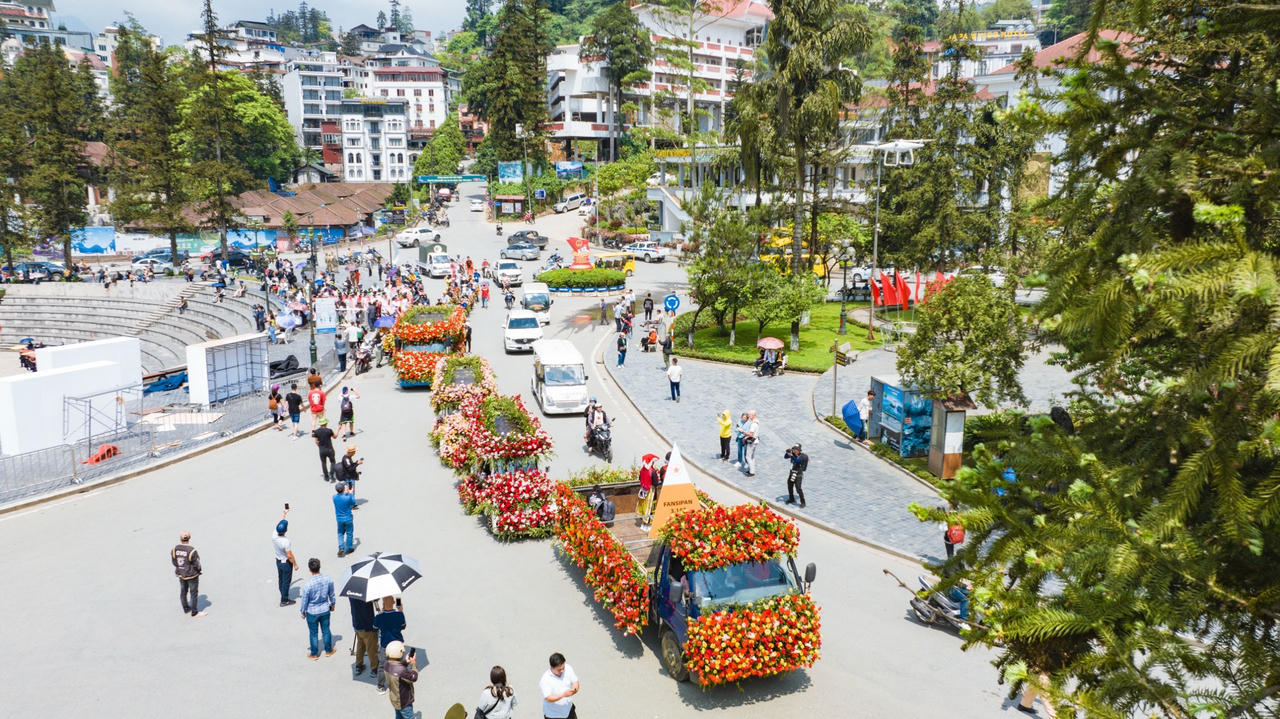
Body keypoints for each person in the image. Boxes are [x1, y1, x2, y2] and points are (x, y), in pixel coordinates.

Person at [300, 557, 336, 659]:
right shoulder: (328, 579)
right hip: (325, 609)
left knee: (313, 633)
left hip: (312, 612)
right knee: (326, 630)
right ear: (319, 567)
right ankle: (328, 651)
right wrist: (333, 604)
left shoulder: (308, 585)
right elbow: (332, 594)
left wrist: (303, 612)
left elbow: (304, 600)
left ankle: (314, 654)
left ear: (310, 569)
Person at [373, 597, 407, 693]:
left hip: (385, 645)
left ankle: (380, 686)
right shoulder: (399, 614)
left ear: (383, 604)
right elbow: (403, 626)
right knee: (399, 664)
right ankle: (399, 685)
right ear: (394, 603)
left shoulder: (379, 617)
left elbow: (375, 627)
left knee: (382, 666)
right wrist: (401, 610)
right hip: (398, 644)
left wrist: (380, 615)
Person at [171, 531, 205, 618]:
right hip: (192, 575)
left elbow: (174, 562)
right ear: (189, 538)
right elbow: (197, 564)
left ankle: (186, 608)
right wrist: (199, 570)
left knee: (183, 591)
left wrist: (180, 568)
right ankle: (194, 613)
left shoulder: (175, 549)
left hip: (181, 574)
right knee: (193, 593)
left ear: (180, 539)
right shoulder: (192, 550)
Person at [384, 641, 418, 719]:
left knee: (399, 716)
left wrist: (405, 662)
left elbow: (396, 668)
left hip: (395, 699)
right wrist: (413, 664)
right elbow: (413, 677)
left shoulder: (386, 664)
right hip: (404, 702)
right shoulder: (401, 670)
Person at [540, 652, 580, 719]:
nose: (562, 671)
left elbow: (575, 682)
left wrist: (574, 689)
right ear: (552, 667)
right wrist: (563, 695)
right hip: (553, 715)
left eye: (563, 668)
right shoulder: (545, 679)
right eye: (559, 670)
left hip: (569, 710)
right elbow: (548, 698)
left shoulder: (568, 668)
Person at [350, 597, 379, 680]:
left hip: (356, 623)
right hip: (367, 624)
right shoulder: (366, 595)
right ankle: (374, 668)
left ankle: (358, 665)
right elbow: (376, 599)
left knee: (360, 645)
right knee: (371, 648)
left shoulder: (352, 593)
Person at [274, 517, 298, 606]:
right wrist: (295, 564)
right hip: (286, 563)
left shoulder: (274, 536)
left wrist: (284, 514)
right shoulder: (286, 542)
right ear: (286, 530)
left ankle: (282, 592)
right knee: (286, 581)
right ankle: (284, 600)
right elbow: (289, 555)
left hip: (278, 561)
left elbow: (279, 523)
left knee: (281, 578)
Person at [333, 481, 355, 557]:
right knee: (349, 533)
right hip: (348, 518)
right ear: (343, 489)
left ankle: (341, 547)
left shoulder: (334, 497)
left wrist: (346, 493)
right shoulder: (348, 497)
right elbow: (353, 502)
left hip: (339, 519)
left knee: (340, 533)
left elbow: (340, 496)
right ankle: (348, 548)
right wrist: (350, 493)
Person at [784, 443, 809, 508]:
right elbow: (785, 457)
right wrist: (787, 453)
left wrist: (792, 455)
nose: (795, 450)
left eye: (796, 449)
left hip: (798, 474)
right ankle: (791, 498)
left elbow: (797, 461)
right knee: (790, 486)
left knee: (798, 488)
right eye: (794, 449)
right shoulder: (793, 454)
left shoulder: (803, 456)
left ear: (799, 450)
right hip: (792, 473)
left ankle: (803, 502)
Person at [743, 410, 759, 476]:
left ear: (752, 415)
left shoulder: (753, 424)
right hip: (756, 440)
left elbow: (751, 434)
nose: (748, 416)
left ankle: (752, 471)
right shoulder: (756, 422)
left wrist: (743, 432)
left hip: (752, 442)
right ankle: (752, 470)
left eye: (749, 415)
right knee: (752, 456)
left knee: (748, 457)